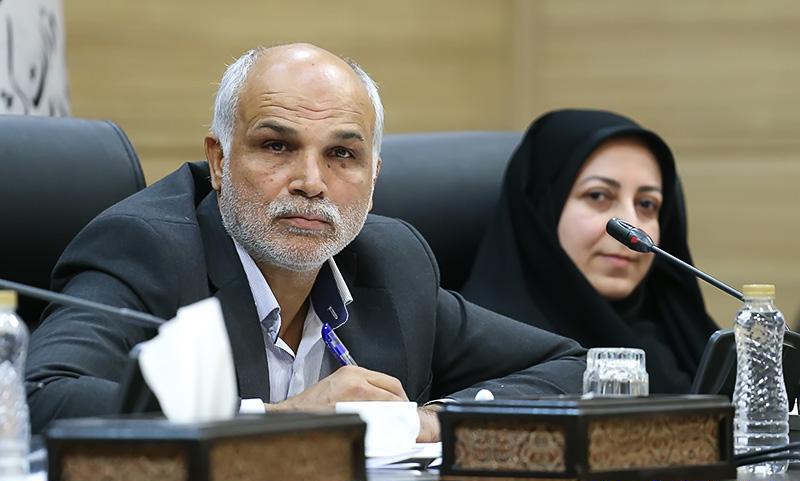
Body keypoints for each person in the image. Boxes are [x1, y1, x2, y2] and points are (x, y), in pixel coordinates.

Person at [25, 44, 585, 438]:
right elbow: (42, 397)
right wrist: (281, 420)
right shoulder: (145, 249)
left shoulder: (394, 263)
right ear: (218, 161)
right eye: (276, 146)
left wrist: (434, 419)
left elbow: (574, 367)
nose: (311, 182)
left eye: (342, 154)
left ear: (373, 177)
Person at [462, 109, 718, 394]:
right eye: (598, 196)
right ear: (542, 209)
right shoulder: (479, 344)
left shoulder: (684, 335)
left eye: (646, 204)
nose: (631, 226)